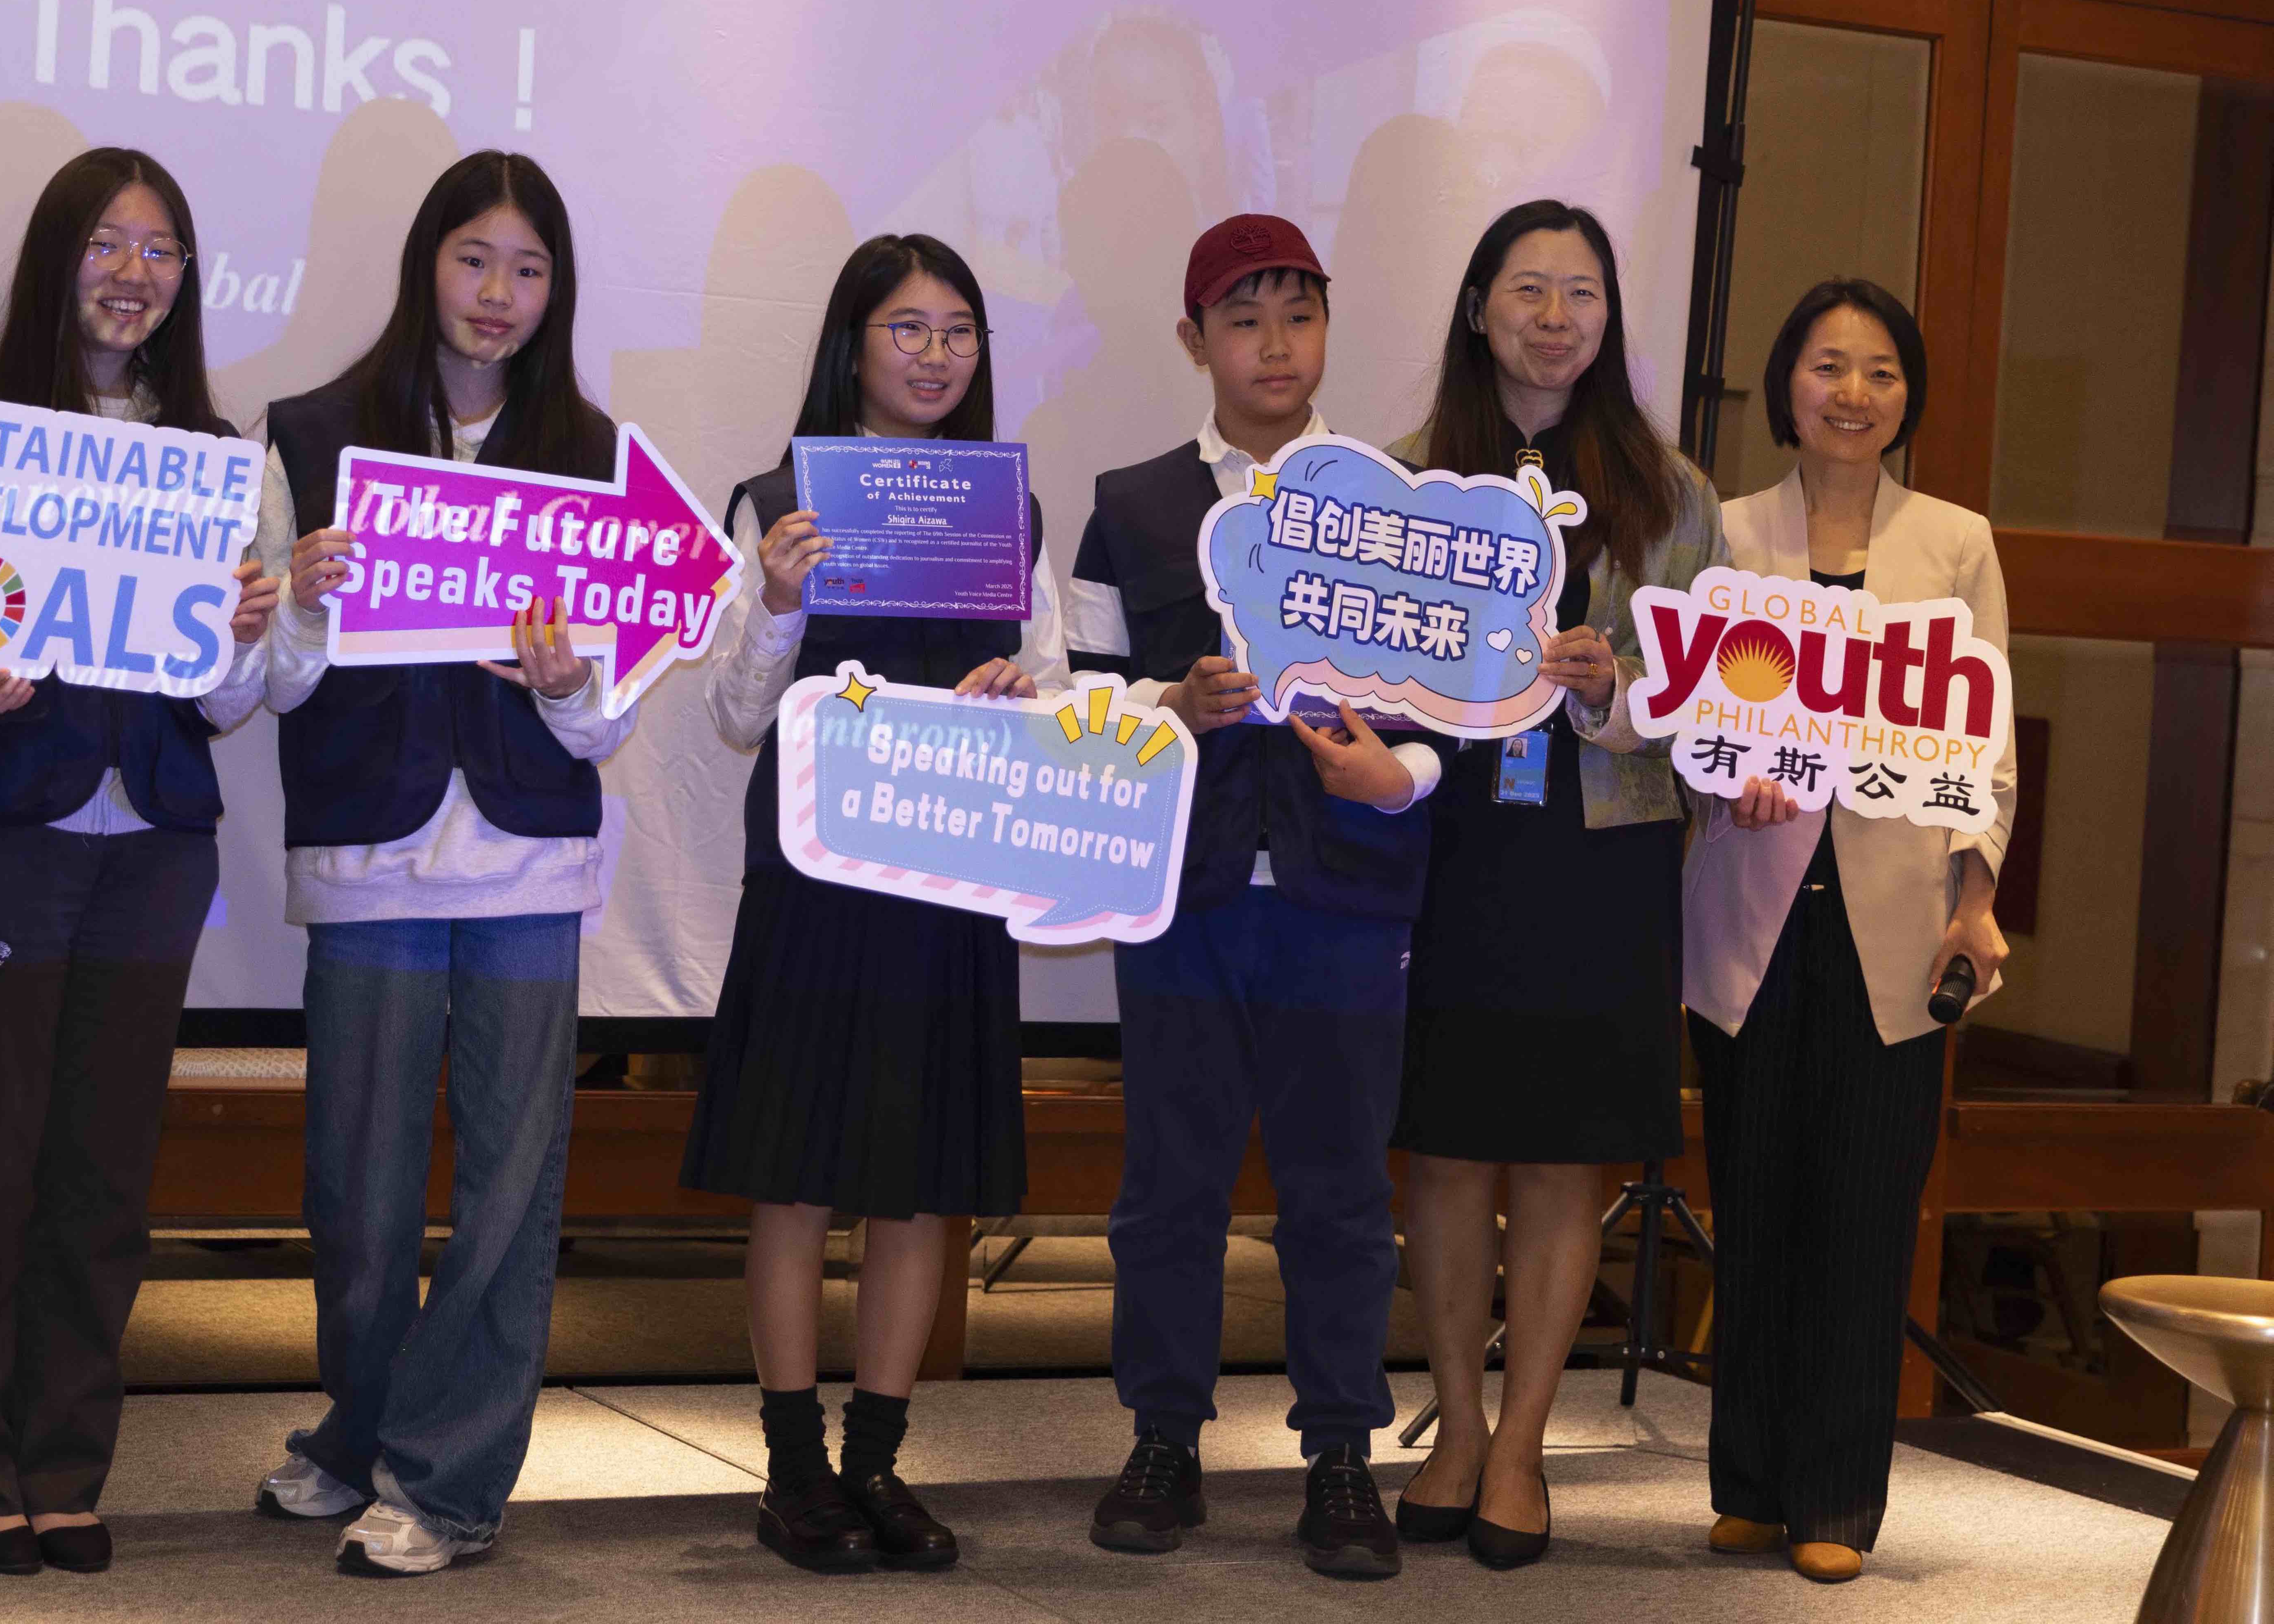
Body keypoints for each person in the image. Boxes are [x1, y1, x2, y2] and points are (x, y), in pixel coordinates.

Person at [250, 151, 632, 1576]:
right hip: (369, 854)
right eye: (475, 258)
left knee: (509, 1193)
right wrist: (299, 605)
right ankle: (363, 1429)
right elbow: (270, 684)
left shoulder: (593, 455)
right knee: (356, 1190)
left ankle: (451, 1479)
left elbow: (611, 716)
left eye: (528, 268)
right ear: (427, 263)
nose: (498, 293)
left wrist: (570, 684)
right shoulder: (312, 432)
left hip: (528, 863)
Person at [0, 149, 278, 1579]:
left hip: (156, 845)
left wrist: (241, 637)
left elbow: (231, 702)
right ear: (55, 259)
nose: (135, 274)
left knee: (105, 1178)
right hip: (8, 827)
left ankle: (65, 1466)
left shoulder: (222, 457)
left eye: (162, 248)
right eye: (107, 244)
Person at [1064, 213, 1444, 1582]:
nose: (1273, 345)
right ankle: (1162, 1438)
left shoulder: (1397, 505)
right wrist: (1167, 703)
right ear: (1193, 341)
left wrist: (1392, 778)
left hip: (1344, 900)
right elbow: (1080, 703)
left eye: (1297, 315)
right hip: (1188, 893)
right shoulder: (1127, 505)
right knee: (1168, 1185)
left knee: (1338, 1191)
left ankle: (1339, 1454)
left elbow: (1444, 716)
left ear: (1326, 328)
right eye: (1242, 319)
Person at [680, 234, 1063, 1574]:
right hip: (815, 877)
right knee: (795, 1183)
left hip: (947, 878)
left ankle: (877, 1463)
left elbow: (1056, 692)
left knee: (918, 1189)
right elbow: (736, 711)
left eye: (957, 330)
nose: (935, 354)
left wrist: (1023, 697)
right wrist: (779, 599)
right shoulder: (778, 500)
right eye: (907, 327)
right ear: (853, 345)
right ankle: (792, 1471)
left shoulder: (1007, 513)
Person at [1384, 201, 1726, 1569]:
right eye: (1526, 290)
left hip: (1597, 850)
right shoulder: (1408, 478)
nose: (1553, 317)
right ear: (1478, 308)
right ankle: (1455, 1426)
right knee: (1446, 1146)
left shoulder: (1672, 491)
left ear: (1608, 318)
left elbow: (1708, 701)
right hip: (1449, 841)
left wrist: (1613, 687)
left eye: (1580, 293)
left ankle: (1523, 1441)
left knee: (1562, 1154)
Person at [1683, 279, 2011, 1584]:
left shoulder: (1955, 543)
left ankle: (1833, 1497)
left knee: (1864, 1212)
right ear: (1787, 383)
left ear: (1906, 396)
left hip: (1898, 922)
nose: (1853, 392)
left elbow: (1983, 741)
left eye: (1880, 370)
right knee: (1754, 1199)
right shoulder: (1724, 529)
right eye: (1828, 365)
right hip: (1748, 917)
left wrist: (1976, 900)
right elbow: (1687, 718)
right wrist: (1724, 782)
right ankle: (1749, 1483)